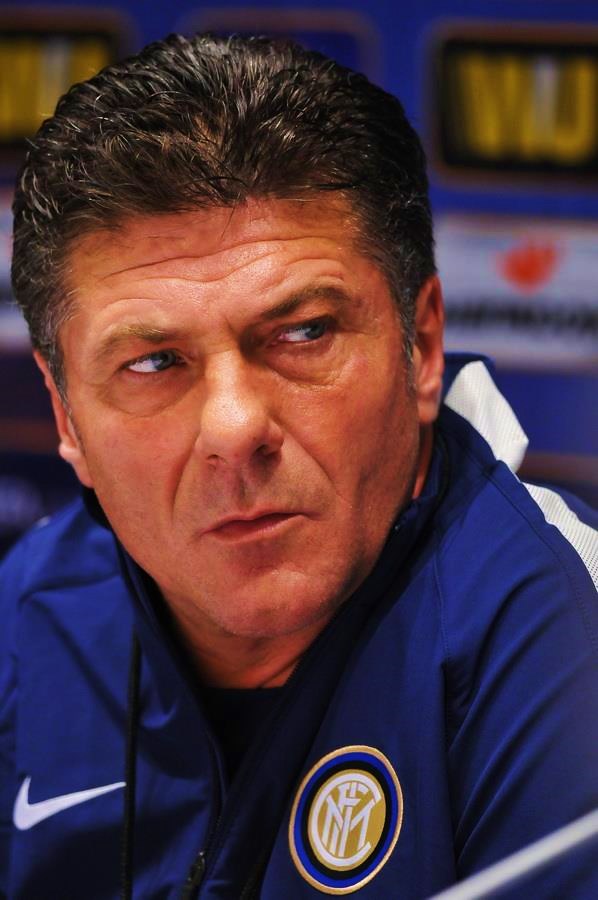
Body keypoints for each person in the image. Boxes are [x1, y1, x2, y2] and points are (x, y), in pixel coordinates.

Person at [1, 33, 597, 900]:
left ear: (423, 345)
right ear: (66, 417)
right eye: (154, 363)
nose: (234, 427)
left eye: (304, 333)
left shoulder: (564, 633)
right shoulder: (27, 618)